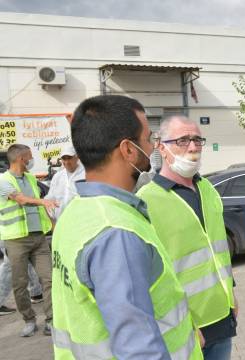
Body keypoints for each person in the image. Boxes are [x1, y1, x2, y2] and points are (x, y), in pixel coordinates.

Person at [51, 95, 202, 359]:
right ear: (128, 150)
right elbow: (139, 350)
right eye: (147, 139)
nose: (152, 147)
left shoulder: (76, 212)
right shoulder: (116, 233)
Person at [138, 115, 237, 360]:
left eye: (196, 140)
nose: (192, 147)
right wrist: (183, 325)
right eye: (182, 140)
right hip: (182, 326)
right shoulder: (146, 201)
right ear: (161, 146)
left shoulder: (208, 190)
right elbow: (149, 277)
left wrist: (231, 294)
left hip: (221, 316)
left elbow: (219, 253)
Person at [0, 144, 57, 337]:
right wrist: (44, 202)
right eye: (30, 157)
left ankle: (51, 320)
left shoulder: (31, 178)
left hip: (38, 237)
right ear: (21, 159)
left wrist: (52, 224)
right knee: (20, 283)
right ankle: (29, 320)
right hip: (16, 240)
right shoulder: (3, 181)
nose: (32, 160)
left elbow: (42, 204)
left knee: (48, 279)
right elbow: (22, 200)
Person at [44, 144, 85, 220]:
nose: (66, 162)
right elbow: (49, 200)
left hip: (81, 222)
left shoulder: (85, 174)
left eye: (69, 158)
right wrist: (53, 223)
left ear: (77, 157)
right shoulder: (58, 176)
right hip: (61, 224)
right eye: (64, 159)